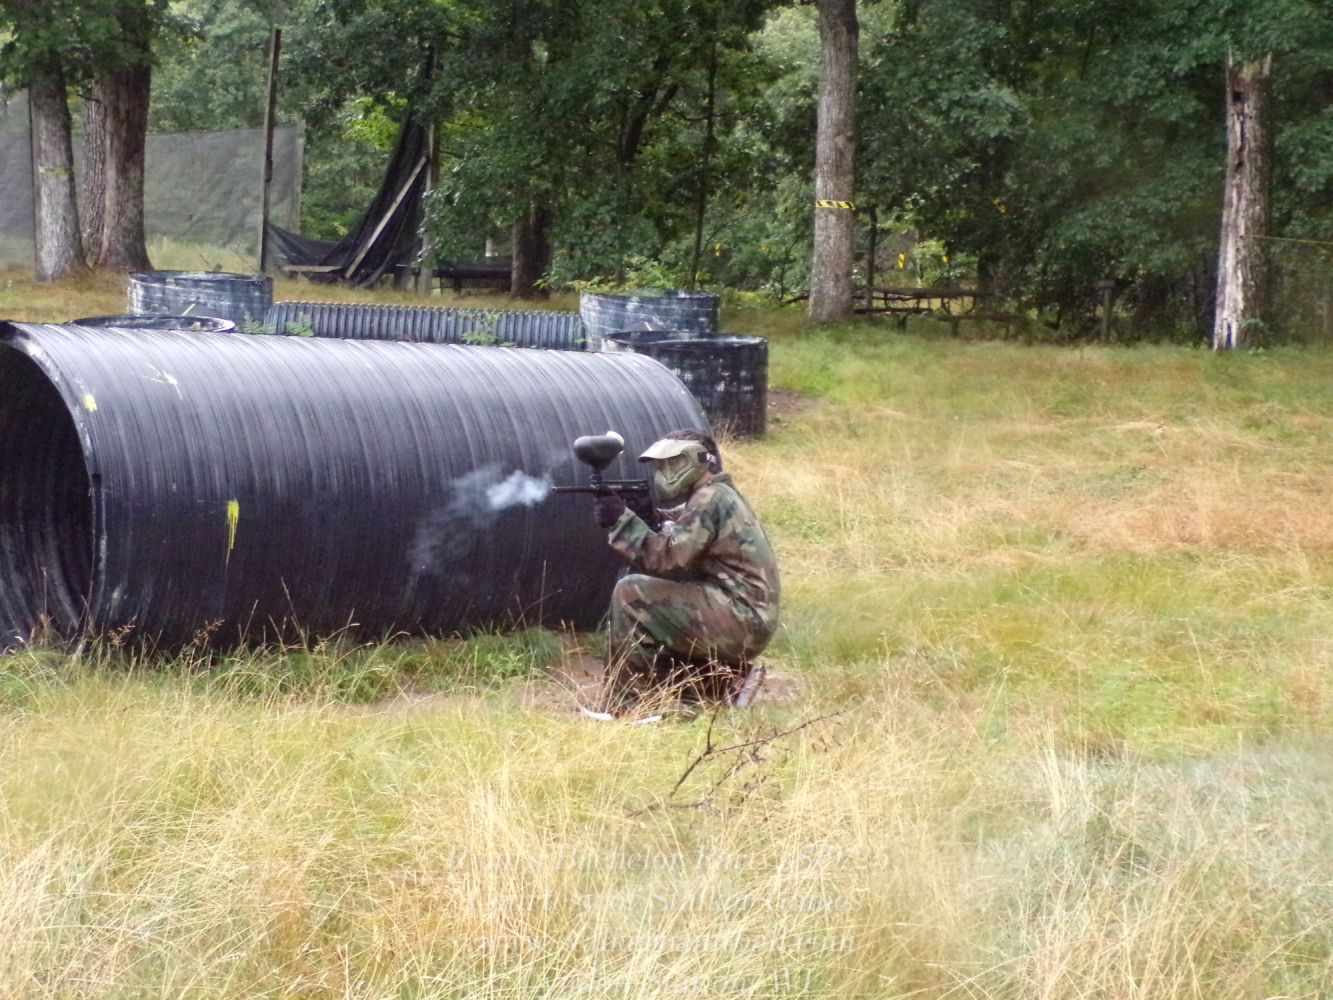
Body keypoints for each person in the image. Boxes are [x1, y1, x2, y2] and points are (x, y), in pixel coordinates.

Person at [590, 429, 780, 713]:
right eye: (661, 465)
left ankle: (626, 708)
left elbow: (669, 556)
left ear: (698, 460)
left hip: (741, 617)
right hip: (745, 615)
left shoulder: (709, 498)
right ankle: (719, 686)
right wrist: (647, 516)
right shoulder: (718, 494)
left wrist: (622, 521)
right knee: (663, 606)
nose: (665, 472)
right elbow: (686, 531)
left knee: (631, 594)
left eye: (673, 462)